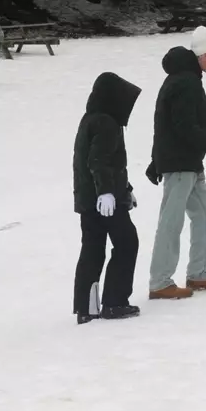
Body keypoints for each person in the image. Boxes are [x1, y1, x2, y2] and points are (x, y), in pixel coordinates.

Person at [146, 26, 206, 300]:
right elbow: (182, 126)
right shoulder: (185, 82)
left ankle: (199, 273)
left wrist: (155, 159)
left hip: (187, 163)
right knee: (171, 222)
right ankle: (160, 281)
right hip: (180, 163)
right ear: (203, 53)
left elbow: (163, 122)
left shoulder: (185, 79)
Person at [73, 72, 142, 323]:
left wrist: (126, 188)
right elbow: (98, 162)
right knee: (127, 243)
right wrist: (107, 193)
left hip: (89, 199)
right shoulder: (106, 123)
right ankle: (114, 301)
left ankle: (86, 307)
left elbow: (107, 163)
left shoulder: (90, 119)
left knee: (92, 249)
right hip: (105, 200)